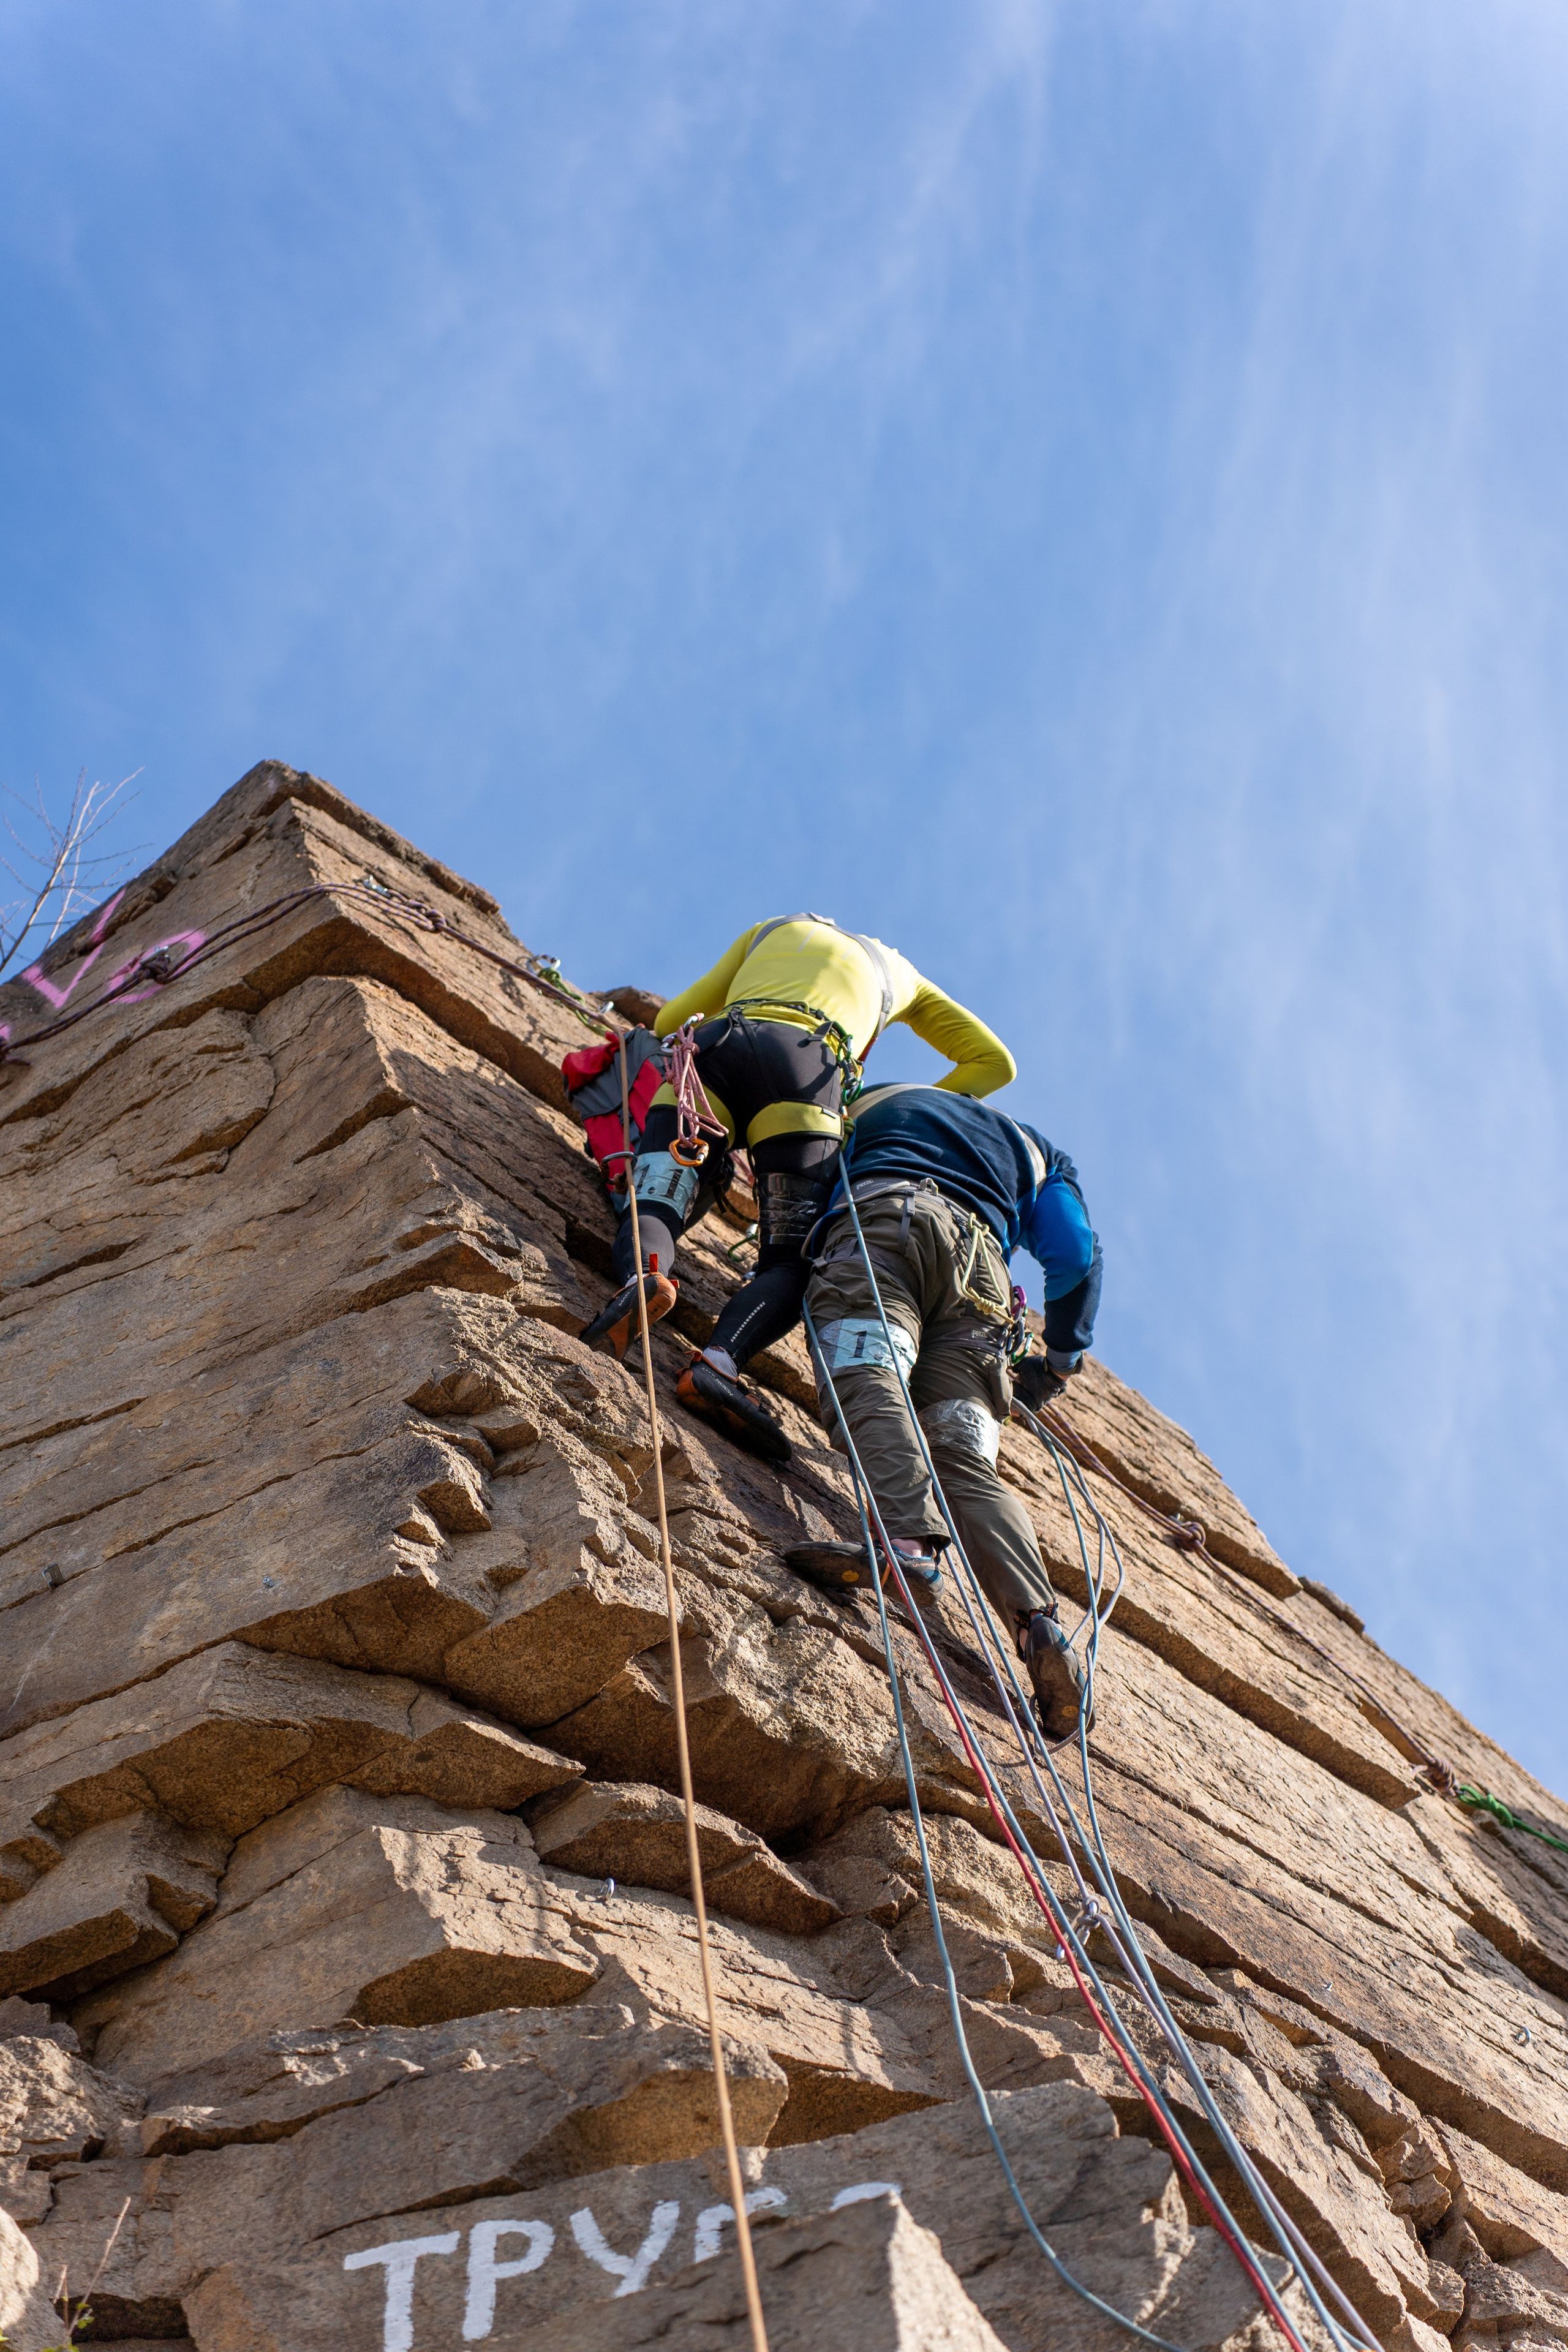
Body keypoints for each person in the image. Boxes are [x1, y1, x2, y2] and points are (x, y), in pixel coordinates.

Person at [578, 914, 1015, 1461]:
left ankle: (644, 1280)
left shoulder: (770, 930)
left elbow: (669, 1018)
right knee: (792, 1259)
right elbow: (995, 1064)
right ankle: (717, 1364)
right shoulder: (902, 975)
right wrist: (887, 1112)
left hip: (710, 1052)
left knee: (658, 1199)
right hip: (807, 1071)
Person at [784, 1079, 1102, 1740]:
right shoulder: (1038, 1154)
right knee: (962, 1456)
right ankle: (1038, 1621)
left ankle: (907, 1542)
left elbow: (799, 1163)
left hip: (884, 1233)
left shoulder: (869, 1103)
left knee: (868, 1374)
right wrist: (1062, 1360)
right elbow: (1074, 1254)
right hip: (982, 1285)